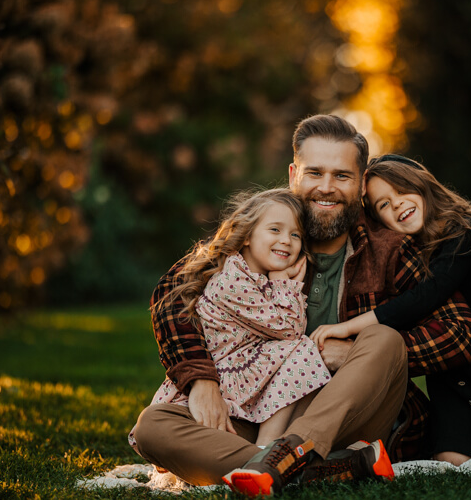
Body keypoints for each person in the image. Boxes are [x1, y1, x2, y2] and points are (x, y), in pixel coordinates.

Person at [130, 115, 471, 495]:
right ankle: (322, 467)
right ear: (294, 174)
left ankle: (281, 459)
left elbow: (460, 334)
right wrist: (199, 379)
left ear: (361, 184)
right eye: (315, 173)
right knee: (152, 427)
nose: (326, 188)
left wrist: (351, 355)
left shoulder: (389, 249)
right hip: (260, 412)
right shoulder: (269, 232)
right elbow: (173, 292)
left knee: (384, 338)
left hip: (351, 415)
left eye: (342, 176)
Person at [312, 154, 471, 466]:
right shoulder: (416, 251)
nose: (398, 205)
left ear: (423, 185)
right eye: (383, 205)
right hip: (455, 377)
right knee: (447, 456)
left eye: (402, 191)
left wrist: (348, 329)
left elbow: (425, 297)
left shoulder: (468, 233)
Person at [128, 188, 332, 452]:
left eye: (295, 235)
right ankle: (265, 449)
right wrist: (284, 284)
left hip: (242, 370)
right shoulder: (232, 279)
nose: (287, 241)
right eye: (275, 230)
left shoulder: (253, 276)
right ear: (246, 236)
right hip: (223, 379)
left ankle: (266, 448)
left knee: (298, 351)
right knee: (302, 349)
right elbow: (290, 329)